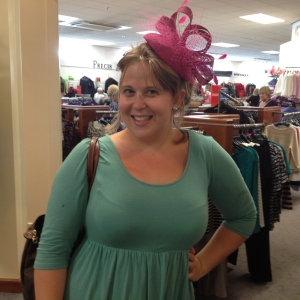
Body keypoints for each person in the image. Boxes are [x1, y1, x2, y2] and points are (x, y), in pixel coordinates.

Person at [34, 3, 257, 300]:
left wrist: (203, 263)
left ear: (177, 97)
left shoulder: (205, 153)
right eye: (129, 92)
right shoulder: (90, 155)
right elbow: (53, 248)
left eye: (151, 92)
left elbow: (243, 216)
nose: (137, 104)